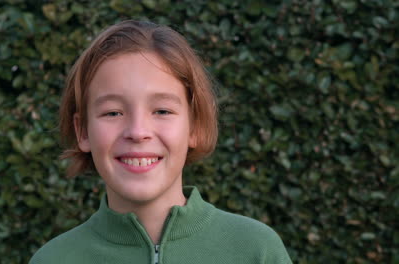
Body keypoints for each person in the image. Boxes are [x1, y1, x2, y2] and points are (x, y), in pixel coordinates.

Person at [30, 20, 292, 264]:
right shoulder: (53, 259)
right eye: (113, 113)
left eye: (162, 111)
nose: (138, 131)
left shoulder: (256, 250)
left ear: (195, 126)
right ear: (83, 131)